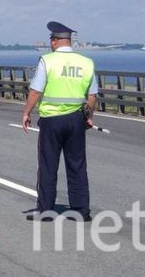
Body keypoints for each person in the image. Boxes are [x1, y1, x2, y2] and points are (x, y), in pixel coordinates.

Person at [22, 21, 98, 222]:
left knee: (48, 165)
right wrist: (88, 117)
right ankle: (81, 211)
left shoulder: (47, 61)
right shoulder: (86, 62)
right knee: (77, 165)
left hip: (51, 120)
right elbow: (92, 97)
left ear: (55, 41)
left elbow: (35, 91)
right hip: (75, 120)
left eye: (51, 41)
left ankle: (46, 211)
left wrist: (26, 113)